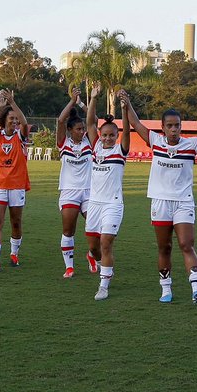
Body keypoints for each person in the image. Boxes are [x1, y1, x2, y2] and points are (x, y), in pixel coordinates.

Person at [122, 90, 197, 304]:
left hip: (183, 201)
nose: (173, 129)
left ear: (180, 126)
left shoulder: (191, 144)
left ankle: (196, 287)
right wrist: (128, 103)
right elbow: (135, 122)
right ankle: (165, 289)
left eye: (177, 125)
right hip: (160, 201)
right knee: (164, 247)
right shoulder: (155, 140)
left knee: (186, 244)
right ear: (162, 127)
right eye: (169, 125)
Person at [85, 86, 131, 301]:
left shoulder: (120, 151)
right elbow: (89, 123)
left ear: (117, 136)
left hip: (112, 204)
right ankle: (103, 265)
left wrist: (124, 110)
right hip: (93, 204)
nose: (107, 138)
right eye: (105, 135)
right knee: (94, 248)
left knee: (106, 243)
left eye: (112, 135)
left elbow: (127, 130)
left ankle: (103, 286)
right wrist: (93, 98)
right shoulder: (95, 147)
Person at [0, 89, 30, 272]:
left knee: (16, 222)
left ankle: (14, 253)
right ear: (4, 121)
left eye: (16, 119)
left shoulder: (20, 136)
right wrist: (2, 106)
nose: (15, 121)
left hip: (17, 186)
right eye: (11, 119)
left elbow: (25, 124)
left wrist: (13, 103)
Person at [54, 90, 92, 278]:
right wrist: (71, 102)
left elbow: (95, 120)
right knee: (68, 230)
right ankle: (69, 267)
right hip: (69, 191)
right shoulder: (63, 144)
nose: (82, 131)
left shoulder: (89, 142)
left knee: (95, 228)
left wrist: (82, 104)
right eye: (78, 129)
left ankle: (92, 255)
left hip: (89, 191)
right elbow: (60, 121)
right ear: (70, 130)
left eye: (83, 128)